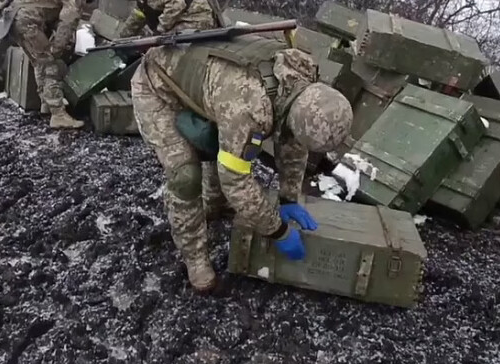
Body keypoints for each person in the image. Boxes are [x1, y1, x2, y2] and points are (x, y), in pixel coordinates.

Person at [131, 34, 353, 293]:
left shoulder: (304, 79)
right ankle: (194, 257)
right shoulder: (249, 110)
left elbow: (292, 143)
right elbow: (234, 180)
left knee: (222, 146)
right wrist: (278, 230)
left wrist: (288, 198)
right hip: (158, 84)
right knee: (186, 176)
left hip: (214, 88)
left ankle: (215, 205)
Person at [9, 0, 103, 129]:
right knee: (50, 63)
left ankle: (47, 103)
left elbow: (49, 8)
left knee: (40, 62)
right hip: (29, 19)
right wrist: (57, 49)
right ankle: (58, 114)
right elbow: (67, 22)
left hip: (14, 17)